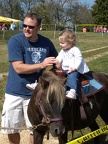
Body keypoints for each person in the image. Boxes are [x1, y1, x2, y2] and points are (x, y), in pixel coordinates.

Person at [1, 12, 58, 144]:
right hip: (15, 92)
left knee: (35, 129)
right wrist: (42, 65)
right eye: (24, 25)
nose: (26, 28)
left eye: (31, 27)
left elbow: (57, 62)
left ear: (39, 27)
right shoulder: (16, 41)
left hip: (36, 94)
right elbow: (18, 68)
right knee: (12, 128)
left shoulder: (46, 42)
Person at [55, 30, 90, 100]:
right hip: (65, 69)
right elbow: (59, 57)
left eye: (62, 43)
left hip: (74, 69)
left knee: (72, 77)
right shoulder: (63, 50)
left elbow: (78, 59)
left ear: (70, 42)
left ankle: (73, 91)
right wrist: (57, 61)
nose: (60, 44)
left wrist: (74, 68)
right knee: (55, 74)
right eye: (60, 43)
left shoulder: (75, 50)